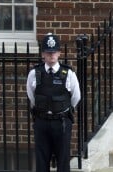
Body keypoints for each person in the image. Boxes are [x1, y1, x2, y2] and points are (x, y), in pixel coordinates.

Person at [27, 33, 81, 172]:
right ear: (42, 54)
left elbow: (76, 97)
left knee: (63, 162)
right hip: (41, 122)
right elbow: (32, 96)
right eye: (48, 52)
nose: (51, 55)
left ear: (59, 53)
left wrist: (61, 110)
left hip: (61, 122)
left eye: (54, 51)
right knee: (41, 161)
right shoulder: (34, 73)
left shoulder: (68, 73)